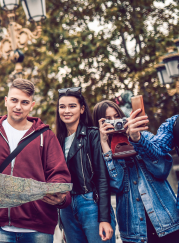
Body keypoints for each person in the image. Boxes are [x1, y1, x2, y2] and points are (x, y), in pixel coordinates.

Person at [0, 78, 71, 243]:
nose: (18, 106)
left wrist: (62, 197)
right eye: (14, 100)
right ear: (6, 101)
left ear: (32, 105)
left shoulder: (46, 136)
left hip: (39, 227)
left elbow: (59, 174)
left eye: (24, 102)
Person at [94, 100, 179, 243]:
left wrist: (138, 139)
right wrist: (105, 145)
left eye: (117, 117)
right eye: (107, 120)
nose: (114, 122)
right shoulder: (101, 152)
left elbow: (162, 170)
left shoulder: (143, 136)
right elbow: (117, 185)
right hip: (134, 230)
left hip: (168, 221)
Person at [56, 87, 115, 243]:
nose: (66, 110)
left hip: (91, 203)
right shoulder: (57, 140)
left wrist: (104, 218)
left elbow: (103, 179)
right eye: (62, 107)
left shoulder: (93, 134)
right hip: (66, 206)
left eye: (72, 106)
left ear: (82, 109)